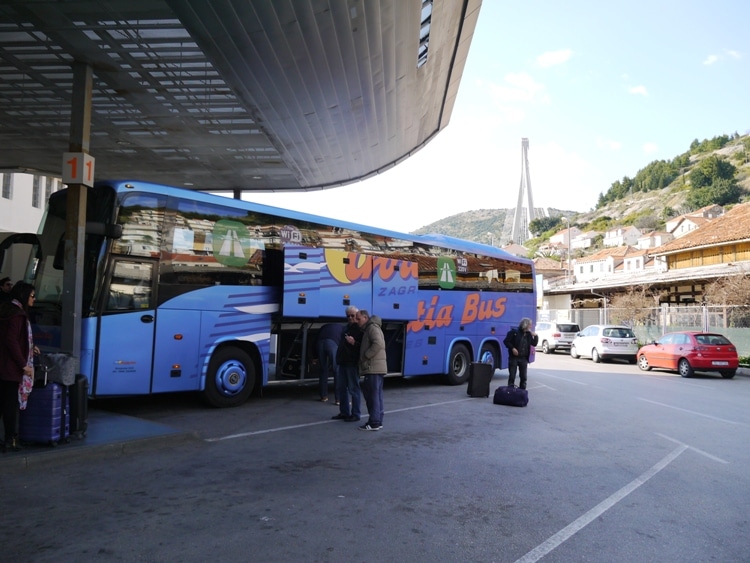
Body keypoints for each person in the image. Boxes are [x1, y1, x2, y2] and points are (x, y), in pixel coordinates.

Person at [0, 281, 37, 452]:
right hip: (10, 368)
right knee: (10, 405)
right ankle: (10, 440)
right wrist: (24, 365)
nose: (34, 299)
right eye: (32, 296)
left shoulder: (6, 310)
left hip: (3, 365)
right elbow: (11, 341)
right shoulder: (18, 316)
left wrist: (31, 347)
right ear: (24, 296)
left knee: (3, 403)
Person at [356, 309, 387, 431]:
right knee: (376, 395)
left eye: (358, 319)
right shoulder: (372, 328)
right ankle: (377, 420)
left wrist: (365, 356)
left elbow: (378, 343)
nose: (357, 321)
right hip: (376, 367)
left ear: (365, 317)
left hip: (372, 367)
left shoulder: (372, 328)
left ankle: (374, 422)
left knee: (372, 396)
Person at [331, 306, 363, 422]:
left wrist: (354, 342)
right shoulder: (346, 328)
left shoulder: (360, 329)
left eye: (352, 315)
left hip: (352, 362)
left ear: (357, 316)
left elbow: (363, 347)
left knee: (354, 388)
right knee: (341, 388)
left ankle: (355, 414)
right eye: (348, 316)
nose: (350, 317)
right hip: (343, 361)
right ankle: (344, 412)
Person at [503, 317, 538, 390]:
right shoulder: (514, 332)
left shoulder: (528, 334)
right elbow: (506, 341)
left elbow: (534, 344)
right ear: (525, 325)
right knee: (512, 376)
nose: (531, 326)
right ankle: (510, 391)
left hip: (523, 358)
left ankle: (522, 392)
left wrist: (536, 336)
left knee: (523, 377)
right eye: (530, 325)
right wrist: (512, 348)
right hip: (514, 358)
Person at [316, 321, 345, 403]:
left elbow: (315, 340)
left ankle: (323, 396)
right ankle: (338, 399)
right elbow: (343, 342)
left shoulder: (324, 326)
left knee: (323, 370)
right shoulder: (343, 328)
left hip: (320, 342)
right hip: (332, 343)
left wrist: (315, 356)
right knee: (337, 370)